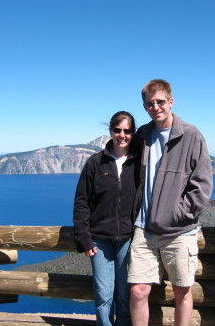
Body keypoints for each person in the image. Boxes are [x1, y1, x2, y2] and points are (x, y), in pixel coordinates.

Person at [128, 79, 213, 326]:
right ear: (145, 107)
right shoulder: (143, 134)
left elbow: (203, 185)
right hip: (144, 229)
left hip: (179, 232)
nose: (155, 107)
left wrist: (178, 214)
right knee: (137, 291)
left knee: (182, 292)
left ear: (171, 101)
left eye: (160, 102)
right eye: (149, 103)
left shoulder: (191, 135)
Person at [73, 111, 140, 326]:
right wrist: (84, 238)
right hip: (99, 240)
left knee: (124, 293)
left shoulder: (139, 163)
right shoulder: (95, 163)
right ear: (110, 132)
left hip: (127, 239)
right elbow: (82, 202)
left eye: (127, 131)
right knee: (103, 294)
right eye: (117, 130)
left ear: (133, 133)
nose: (122, 135)